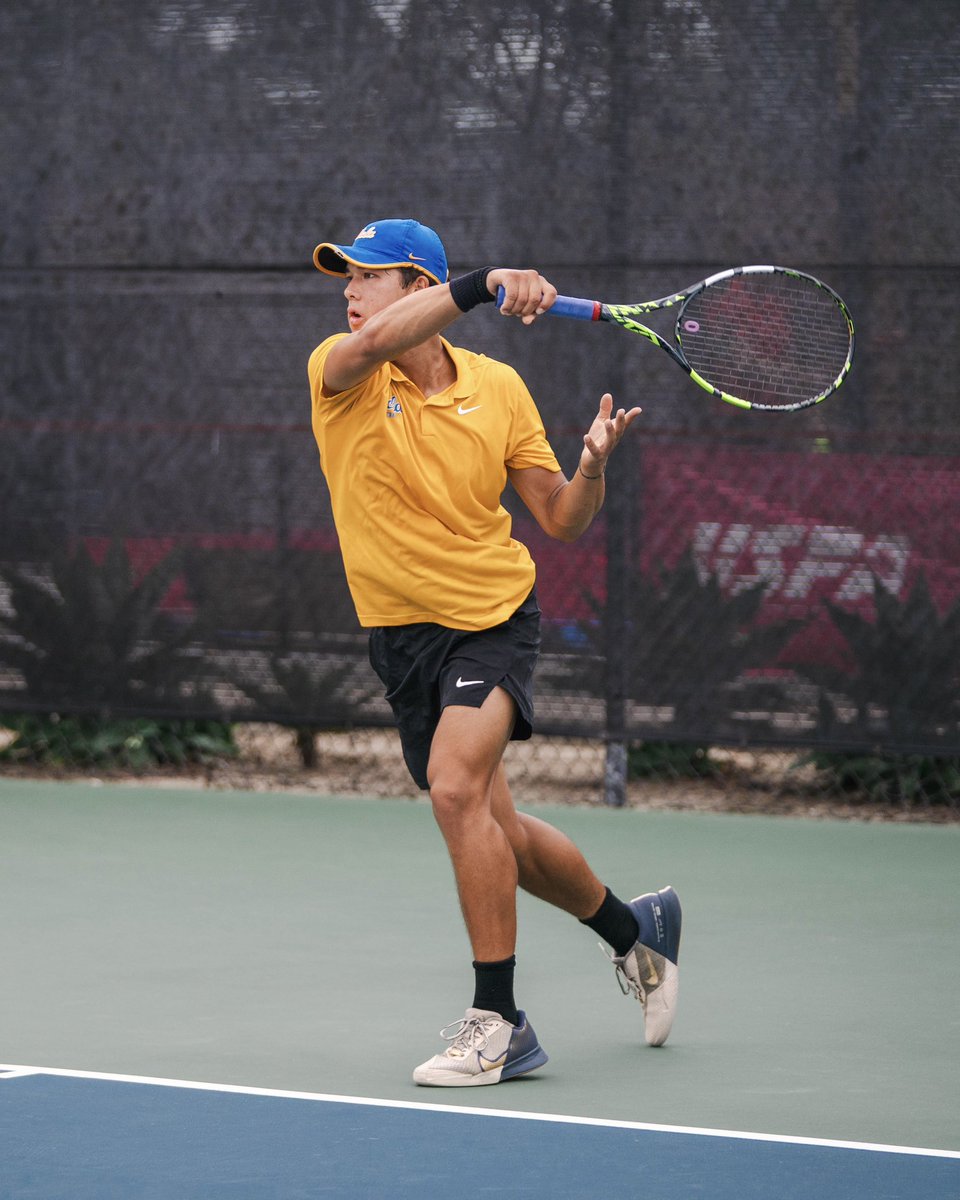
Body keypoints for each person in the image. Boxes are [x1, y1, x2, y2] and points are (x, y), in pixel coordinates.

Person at [308, 218, 681, 1087]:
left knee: (453, 789)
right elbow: (376, 340)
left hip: (492, 617)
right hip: (401, 637)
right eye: (346, 278)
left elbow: (558, 517)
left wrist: (589, 469)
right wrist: (484, 282)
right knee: (498, 831)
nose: (349, 292)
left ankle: (499, 1022)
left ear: (415, 284)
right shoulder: (342, 370)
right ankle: (638, 933)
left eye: (367, 276)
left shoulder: (501, 388)